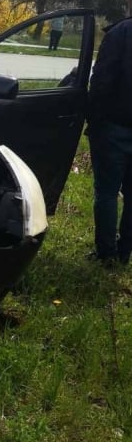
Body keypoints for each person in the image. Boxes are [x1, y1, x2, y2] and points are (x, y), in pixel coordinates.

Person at [86, 15, 132, 264]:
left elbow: (102, 80)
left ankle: (106, 253)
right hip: (117, 124)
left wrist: (93, 119)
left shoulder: (120, 33)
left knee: (106, 191)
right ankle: (125, 250)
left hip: (114, 126)